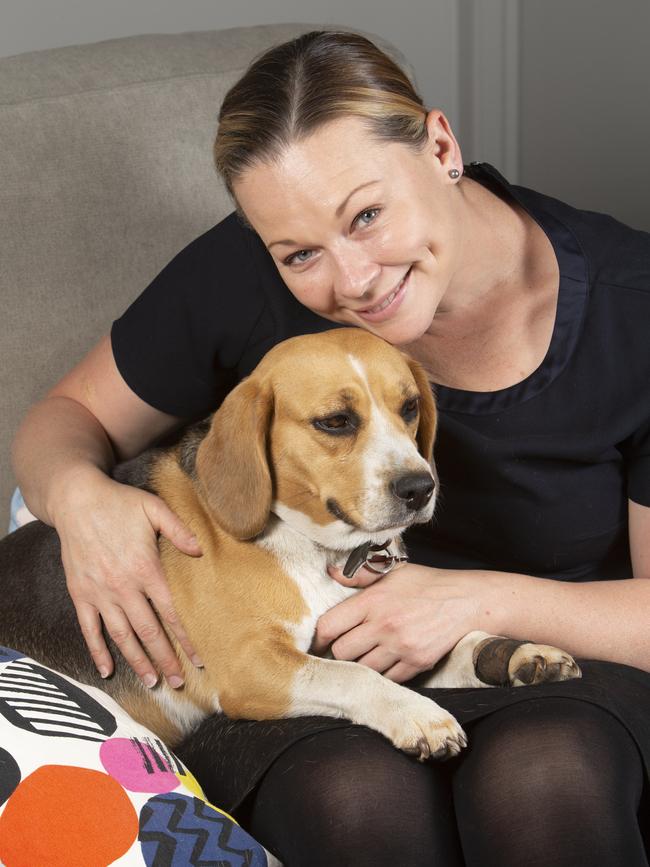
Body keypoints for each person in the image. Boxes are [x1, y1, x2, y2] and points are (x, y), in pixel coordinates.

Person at [11, 29, 650, 867]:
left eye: (368, 215)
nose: (351, 281)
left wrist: (468, 602)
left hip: (550, 655)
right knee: (350, 797)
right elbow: (63, 417)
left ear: (442, 147)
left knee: (543, 774)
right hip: (294, 659)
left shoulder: (632, 309)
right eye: (302, 253)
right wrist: (80, 498)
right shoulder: (249, 271)